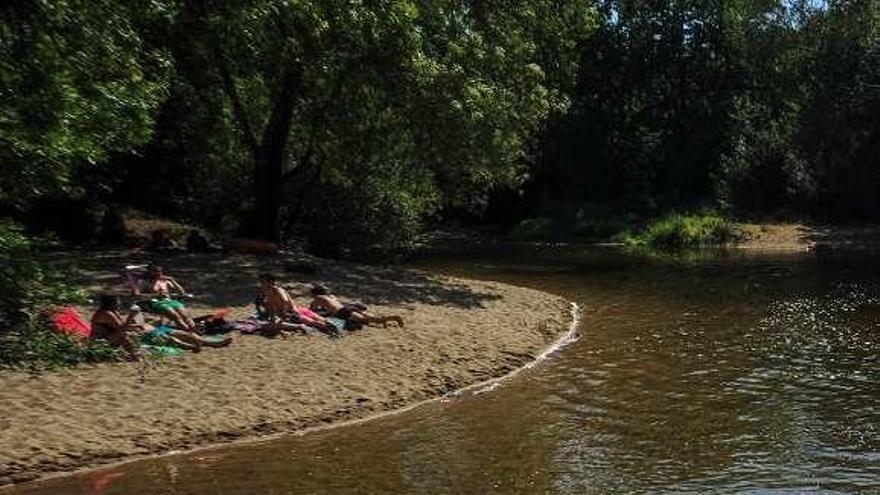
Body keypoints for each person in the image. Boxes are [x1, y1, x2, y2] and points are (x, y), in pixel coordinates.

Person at [90, 294, 231, 359]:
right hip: (106, 340)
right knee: (162, 335)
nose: (120, 303)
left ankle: (210, 343)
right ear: (111, 303)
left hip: (122, 333)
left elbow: (122, 326)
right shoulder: (106, 314)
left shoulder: (112, 312)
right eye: (117, 301)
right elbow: (121, 329)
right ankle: (190, 346)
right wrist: (133, 317)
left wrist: (140, 322)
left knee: (172, 331)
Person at [258, 274, 340, 335]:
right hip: (298, 309)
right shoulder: (269, 291)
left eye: (263, 282)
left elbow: (285, 301)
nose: (261, 284)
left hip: (293, 313)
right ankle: (333, 325)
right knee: (320, 319)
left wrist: (283, 312)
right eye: (261, 282)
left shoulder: (277, 290)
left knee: (314, 323)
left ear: (270, 282)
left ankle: (333, 331)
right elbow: (272, 305)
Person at [309, 284, 404, 328]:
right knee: (367, 317)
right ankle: (385, 319)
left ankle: (391, 318)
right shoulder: (331, 296)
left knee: (367, 320)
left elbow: (312, 310)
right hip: (348, 308)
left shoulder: (318, 298)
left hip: (343, 312)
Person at [136, 264, 197, 331]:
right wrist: (155, 295)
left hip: (169, 301)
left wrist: (172, 280)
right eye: (155, 271)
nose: (158, 273)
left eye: (160, 271)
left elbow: (181, 292)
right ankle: (188, 331)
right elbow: (138, 294)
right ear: (150, 272)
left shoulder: (165, 281)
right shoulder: (145, 282)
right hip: (156, 302)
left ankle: (194, 330)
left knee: (185, 315)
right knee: (175, 315)